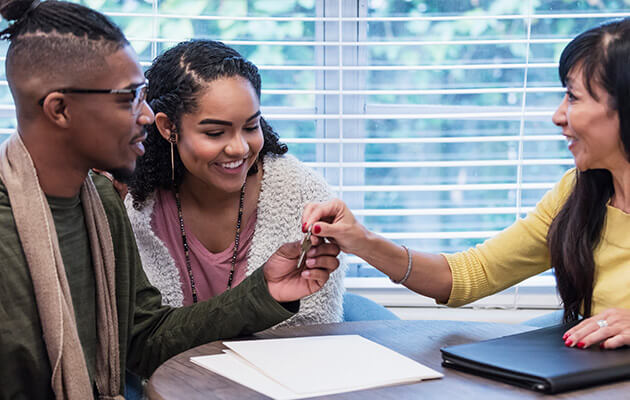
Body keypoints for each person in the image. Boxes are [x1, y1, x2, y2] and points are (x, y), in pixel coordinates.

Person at [0, 1, 340, 398]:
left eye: (143, 95)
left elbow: (145, 342)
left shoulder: (104, 207)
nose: (146, 116)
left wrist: (264, 291)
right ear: (60, 109)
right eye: (128, 98)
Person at [302, 18, 630, 350]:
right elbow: (470, 274)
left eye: (573, 97)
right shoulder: (579, 192)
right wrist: (361, 241)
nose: (558, 115)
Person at [125, 40, 346, 326]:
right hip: (172, 371)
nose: (240, 148)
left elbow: (312, 329)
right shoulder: (135, 207)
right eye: (216, 133)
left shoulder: (305, 198)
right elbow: (139, 337)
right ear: (168, 127)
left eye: (252, 127)